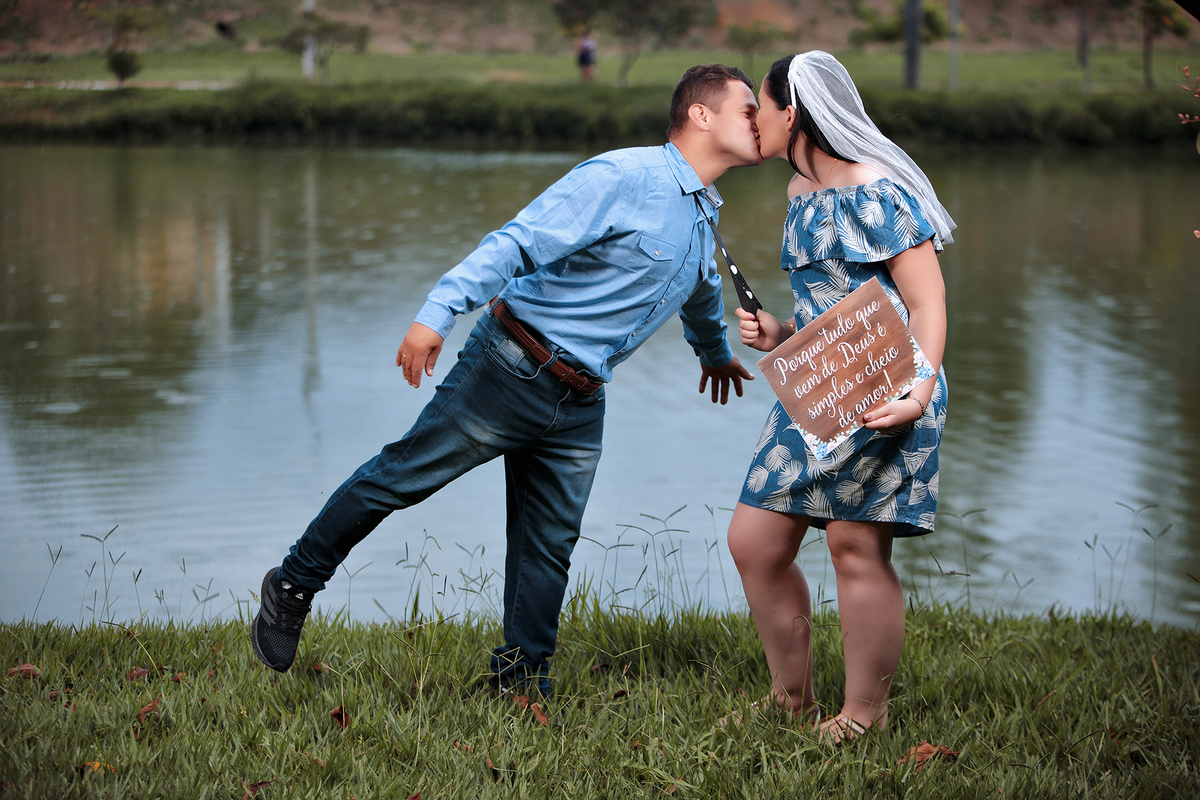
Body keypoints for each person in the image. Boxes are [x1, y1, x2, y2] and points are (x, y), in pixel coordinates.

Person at [252, 64, 761, 696]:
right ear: (701, 115)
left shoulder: (702, 213)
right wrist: (438, 312)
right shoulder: (626, 176)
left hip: (581, 399)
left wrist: (714, 354)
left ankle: (520, 684)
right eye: (747, 109)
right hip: (511, 368)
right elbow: (519, 242)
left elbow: (701, 290)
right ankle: (293, 584)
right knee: (400, 478)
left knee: (547, 546)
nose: (758, 122)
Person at [726, 52, 955, 743]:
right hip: (818, 382)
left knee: (855, 545)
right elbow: (833, 303)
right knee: (754, 542)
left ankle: (863, 714)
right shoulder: (800, 191)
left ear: (792, 114)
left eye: (760, 108)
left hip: (889, 384)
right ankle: (790, 699)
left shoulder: (877, 189)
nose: (753, 121)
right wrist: (781, 333)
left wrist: (916, 394)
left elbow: (927, 303)